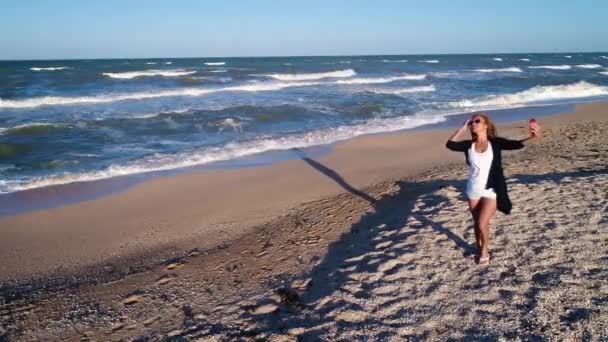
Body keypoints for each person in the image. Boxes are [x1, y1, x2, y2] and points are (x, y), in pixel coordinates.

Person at [445, 113, 541, 266]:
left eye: (477, 121)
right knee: (476, 222)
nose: (473, 124)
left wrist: (533, 136)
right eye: (471, 122)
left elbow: (515, 144)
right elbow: (450, 145)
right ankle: (478, 247)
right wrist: (462, 128)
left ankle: (484, 251)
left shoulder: (495, 143)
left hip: (492, 189)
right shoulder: (468, 145)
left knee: (483, 222)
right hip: (473, 189)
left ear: (485, 125)